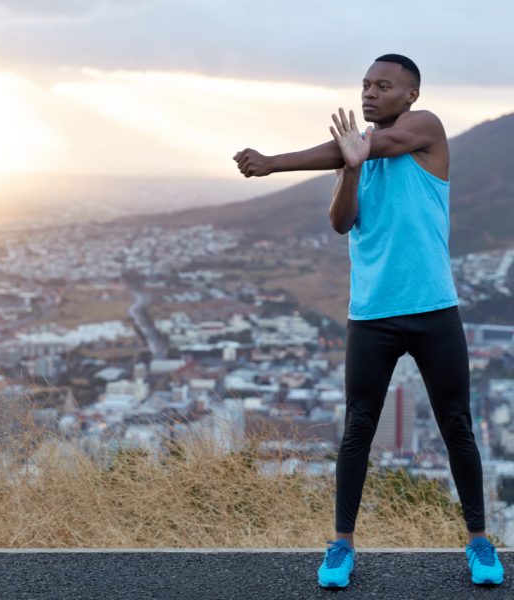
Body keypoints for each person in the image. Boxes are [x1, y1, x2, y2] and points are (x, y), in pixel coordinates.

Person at [233, 54, 504, 588]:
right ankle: (341, 546)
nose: (370, 94)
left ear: (411, 95)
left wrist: (273, 163)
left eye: (383, 86)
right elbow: (342, 222)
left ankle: (478, 541)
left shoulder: (425, 129)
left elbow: (377, 144)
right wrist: (350, 168)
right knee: (358, 427)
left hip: (433, 309)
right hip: (372, 313)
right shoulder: (355, 153)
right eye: (365, 85)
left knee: (456, 425)